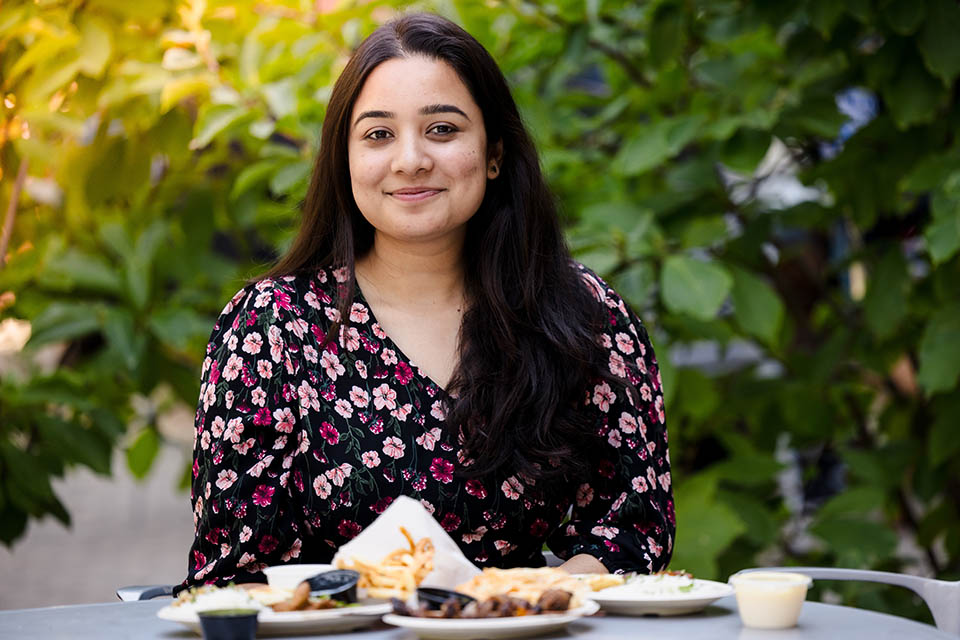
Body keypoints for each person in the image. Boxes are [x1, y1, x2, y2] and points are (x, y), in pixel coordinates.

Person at [179, 12, 673, 592]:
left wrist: (522, 600)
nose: (410, 159)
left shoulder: (583, 314)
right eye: (378, 134)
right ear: (345, 160)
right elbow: (231, 575)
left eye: (442, 129)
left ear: (494, 153)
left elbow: (632, 531)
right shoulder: (271, 329)